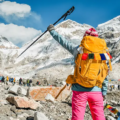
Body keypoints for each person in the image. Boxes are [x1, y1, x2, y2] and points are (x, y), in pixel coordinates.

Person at [47, 25, 111, 120]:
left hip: (79, 91)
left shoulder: (78, 50)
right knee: (99, 117)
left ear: (84, 38)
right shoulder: (103, 54)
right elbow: (104, 74)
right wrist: (104, 92)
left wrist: (52, 31)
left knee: (78, 117)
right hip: (96, 91)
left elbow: (63, 42)